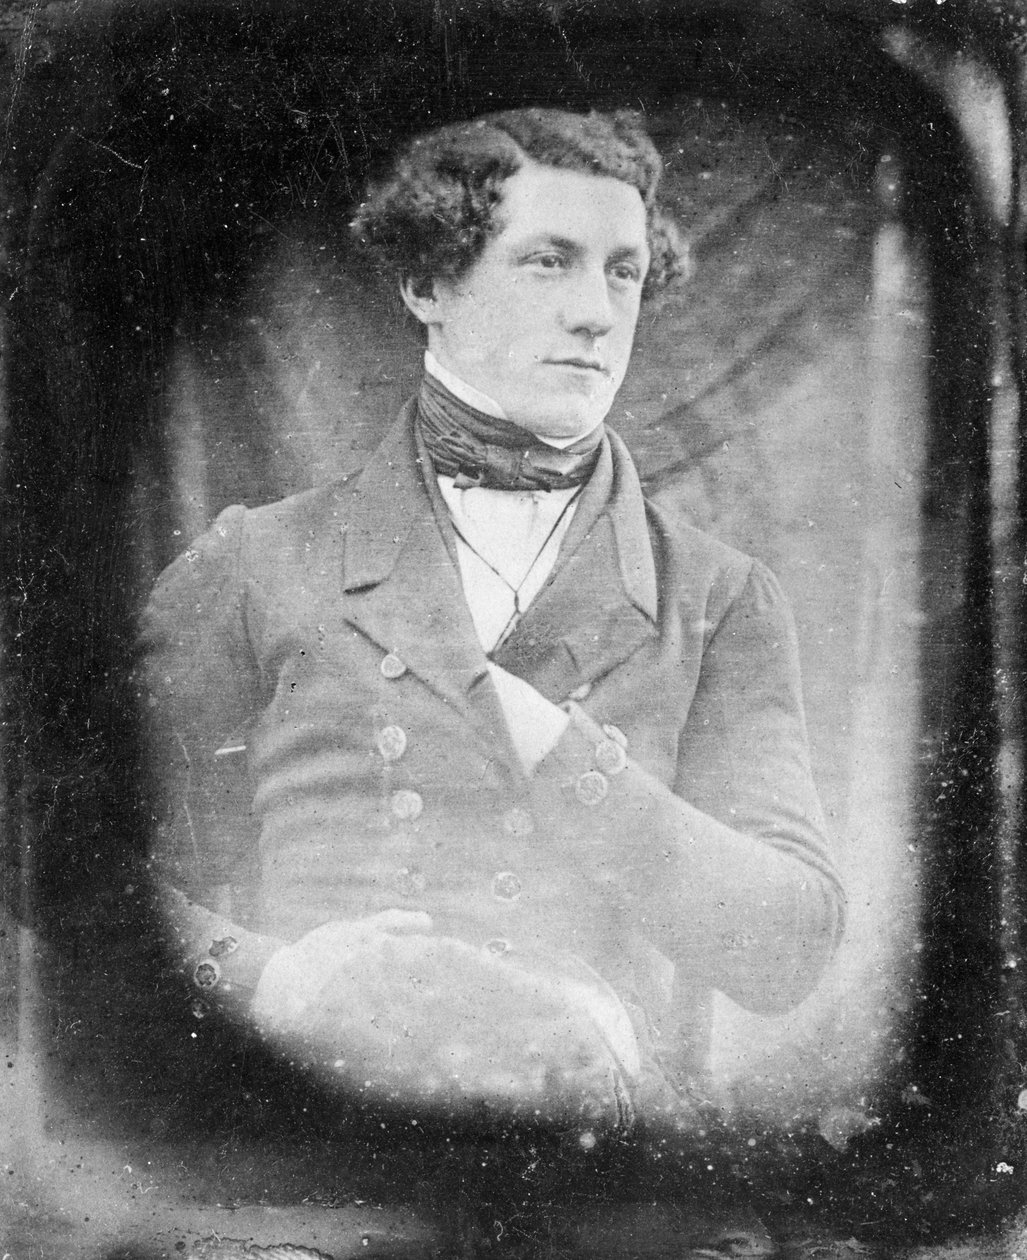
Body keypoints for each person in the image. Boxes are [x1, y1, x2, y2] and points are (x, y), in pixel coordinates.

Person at [137, 107, 845, 1135]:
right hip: (317, 1143)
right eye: (548, 262)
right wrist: (269, 978)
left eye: (622, 271)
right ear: (427, 285)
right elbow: (67, 871)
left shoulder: (717, 597)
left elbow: (788, 945)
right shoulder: (258, 563)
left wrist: (569, 759)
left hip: (610, 1159)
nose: (596, 313)